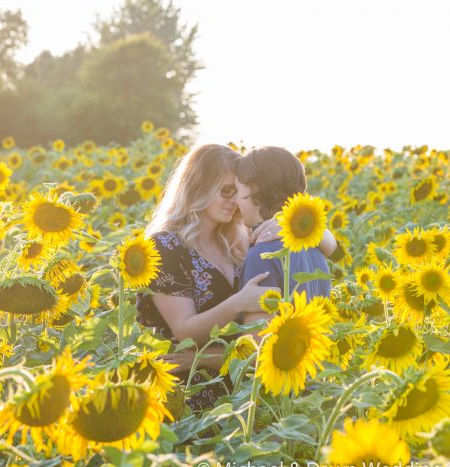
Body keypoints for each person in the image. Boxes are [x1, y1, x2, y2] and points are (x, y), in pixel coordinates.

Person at [136, 144, 271, 411]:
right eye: (226, 190)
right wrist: (239, 303)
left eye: (239, 192)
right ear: (198, 187)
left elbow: (327, 243)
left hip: (238, 392)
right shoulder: (165, 246)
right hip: (187, 397)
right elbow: (184, 330)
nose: (234, 201)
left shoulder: (236, 241)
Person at [234, 146, 335, 325]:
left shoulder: (263, 255)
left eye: (237, 191)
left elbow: (258, 340)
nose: (235, 201)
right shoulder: (314, 247)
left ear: (254, 189)